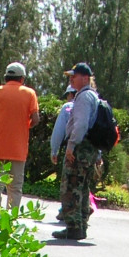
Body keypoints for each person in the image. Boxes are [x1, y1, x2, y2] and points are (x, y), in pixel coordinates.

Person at [0, 61, 40, 212]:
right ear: (22, 79)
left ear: (6, 77)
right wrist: (25, 126)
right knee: (15, 188)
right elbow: (36, 119)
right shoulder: (29, 93)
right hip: (18, 150)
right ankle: (10, 222)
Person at [54, 61, 99, 241]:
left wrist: (71, 146)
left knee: (71, 187)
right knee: (82, 187)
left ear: (85, 78)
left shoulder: (82, 97)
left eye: (75, 76)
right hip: (90, 149)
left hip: (80, 148)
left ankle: (73, 227)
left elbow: (80, 125)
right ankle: (80, 227)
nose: (71, 79)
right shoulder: (94, 96)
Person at [51, 83, 76, 221]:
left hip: (71, 150)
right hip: (89, 151)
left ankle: (67, 212)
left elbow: (58, 132)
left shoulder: (68, 107)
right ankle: (82, 212)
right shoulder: (92, 104)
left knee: (67, 184)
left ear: (70, 94)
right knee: (82, 183)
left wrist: (54, 150)